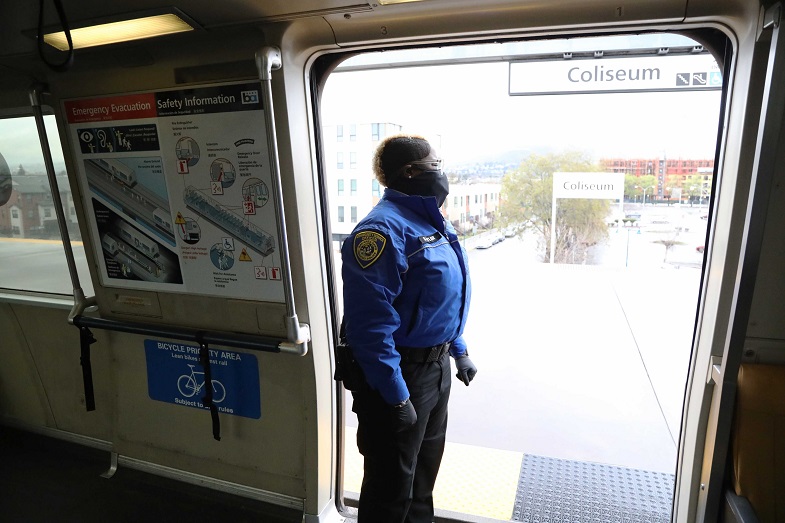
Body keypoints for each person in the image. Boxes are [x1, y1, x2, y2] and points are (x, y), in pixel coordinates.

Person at [341, 134, 477, 522]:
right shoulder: (381, 232)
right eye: (437, 164)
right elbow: (370, 327)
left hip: (435, 371)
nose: (443, 172)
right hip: (400, 374)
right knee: (391, 487)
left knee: (421, 482)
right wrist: (395, 395)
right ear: (412, 171)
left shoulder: (429, 221)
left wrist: (459, 349)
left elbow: (440, 300)